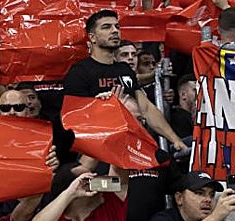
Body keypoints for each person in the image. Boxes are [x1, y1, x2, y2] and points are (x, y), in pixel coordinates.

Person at [61, 10, 186, 152]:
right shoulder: (79, 73)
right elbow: (73, 121)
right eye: (106, 27)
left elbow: (146, 108)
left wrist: (175, 140)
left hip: (131, 145)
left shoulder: (124, 70)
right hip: (97, 152)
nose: (114, 31)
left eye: (117, 27)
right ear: (92, 38)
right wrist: (106, 109)